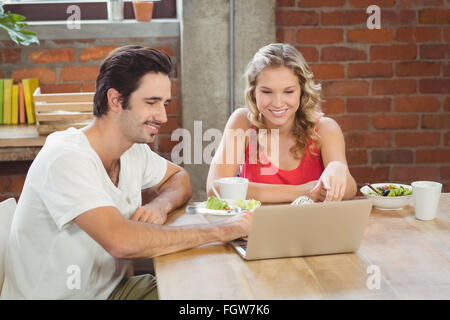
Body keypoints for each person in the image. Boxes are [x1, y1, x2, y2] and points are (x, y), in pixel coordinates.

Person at [1, 46, 252, 300]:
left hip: (112, 292)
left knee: (214, 294)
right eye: (151, 102)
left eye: (164, 104)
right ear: (116, 100)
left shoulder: (132, 149)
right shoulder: (65, 157)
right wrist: (220, 230)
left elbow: (180, 179)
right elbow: (121, 241)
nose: (163, 116)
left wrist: (160, 205)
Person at [207, 43, 357, 203]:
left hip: (312, 226)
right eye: (266, 92)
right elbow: (215, 188)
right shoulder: (243, 122)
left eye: (288, 91)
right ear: (253, 92)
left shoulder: (325, 129)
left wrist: (338, 168)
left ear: (302, 91)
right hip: (256, 226)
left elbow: (350, 191)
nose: (278, 103)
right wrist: (301, 192)